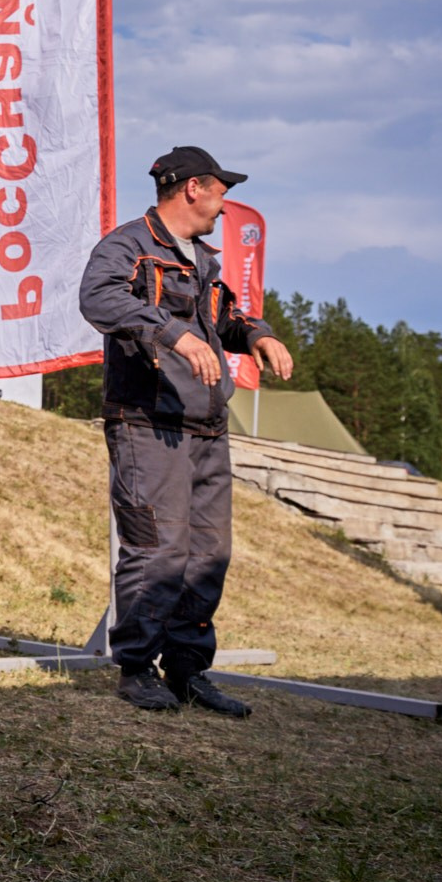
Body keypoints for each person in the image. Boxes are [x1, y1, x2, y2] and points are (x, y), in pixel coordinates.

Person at [77, 146, 294, 716]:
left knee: (207, 554)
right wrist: (173, 334)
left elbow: (225, 317)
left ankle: (188, 671)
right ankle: (136, 669)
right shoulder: (127, 246)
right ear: (192, 187)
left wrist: (260, 336)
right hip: (148, 424)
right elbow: (98, 297)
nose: (226, 206)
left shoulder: (203, 260)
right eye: (222, 192)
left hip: (206, 427)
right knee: (159, 548)